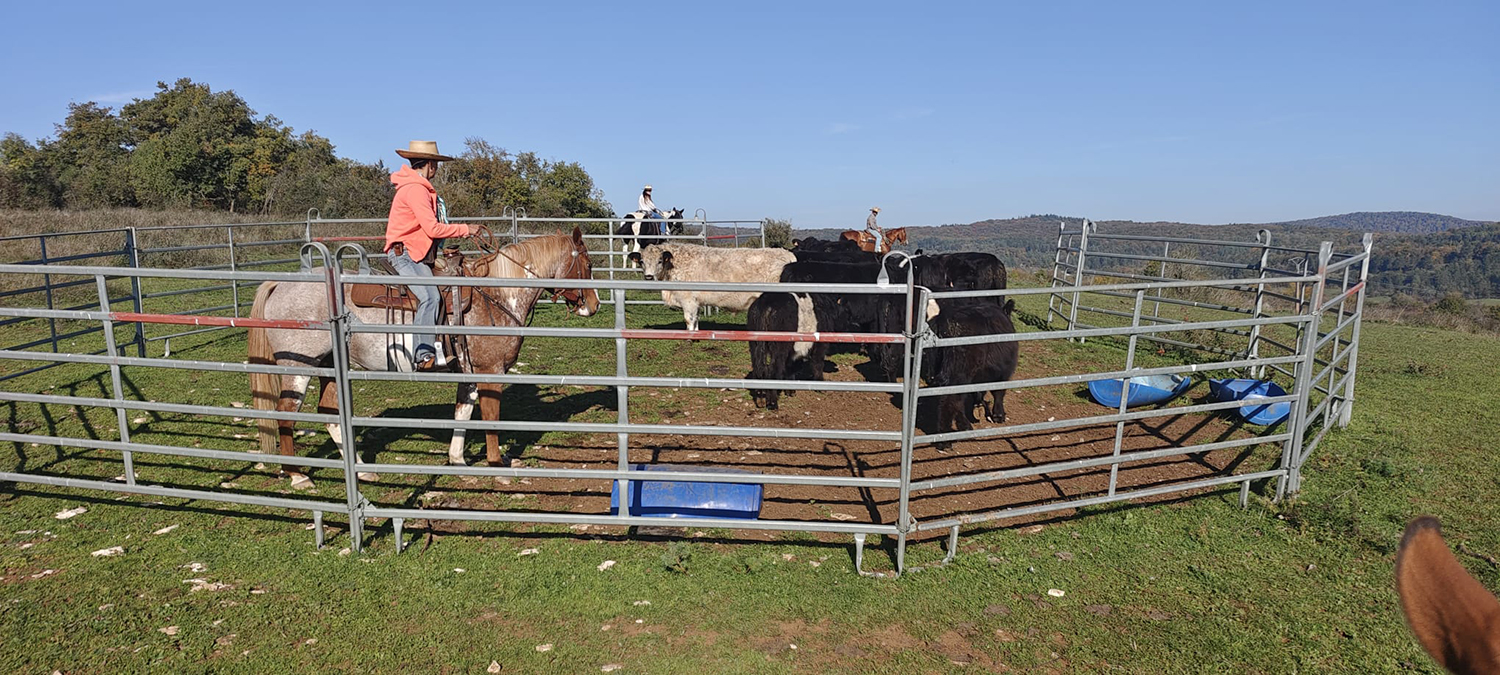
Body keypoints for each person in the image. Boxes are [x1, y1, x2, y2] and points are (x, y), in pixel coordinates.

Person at [384, 140, 478, 371]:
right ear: (429, 165)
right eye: (436, 163)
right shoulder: (416, 189)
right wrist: (466, 229)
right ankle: (423, 355)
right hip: (405, 254)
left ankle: (442, 348)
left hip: (415, 252)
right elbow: (432, 228)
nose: (436, 168)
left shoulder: (416, 187)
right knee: (430, 297)